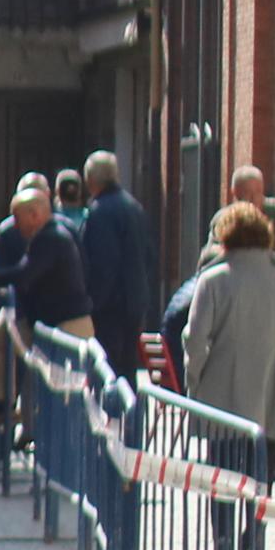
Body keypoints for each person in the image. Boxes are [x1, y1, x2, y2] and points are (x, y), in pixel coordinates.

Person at [181, 196, 275, 487]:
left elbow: (194, 339)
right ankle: (255, 531)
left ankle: (222, 532)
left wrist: (194, 383)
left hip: (221, 404)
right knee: (261, 481)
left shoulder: (211, 280)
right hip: (271, 402)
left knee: (221, 480)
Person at [74, 149, 154, 380]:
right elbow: (149, 255)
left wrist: (92, 304)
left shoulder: (100, 213)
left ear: (90, 180)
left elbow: (102, 265)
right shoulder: (134, 207)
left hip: (110, 309)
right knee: (127, 371)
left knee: (108, 372)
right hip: (134, 303)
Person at [0, 173, 94, 334]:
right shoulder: (47, 233)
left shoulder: (52, 236)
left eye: (19, 218)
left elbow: (25, 273)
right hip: (46, 321)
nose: (17, 226)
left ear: (34, 214)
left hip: (66, 323)